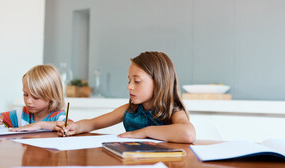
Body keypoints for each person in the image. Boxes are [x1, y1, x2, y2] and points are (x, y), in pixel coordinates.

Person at [55, 51, 196, 143]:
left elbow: (188, 134)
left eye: (137, 81)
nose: (129, 86)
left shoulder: (173, 111)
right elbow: (93, 123)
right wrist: (76, 126)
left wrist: (145, 132)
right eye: (129, 80)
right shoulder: (130, 110)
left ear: (160, 83)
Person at [0, 64, 66, 131]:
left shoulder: (59, 117)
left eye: (35, 97)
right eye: (25, 94)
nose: (28, 101)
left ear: (52, 96)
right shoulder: (20, 114)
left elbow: (70, 126)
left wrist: (41, 125)